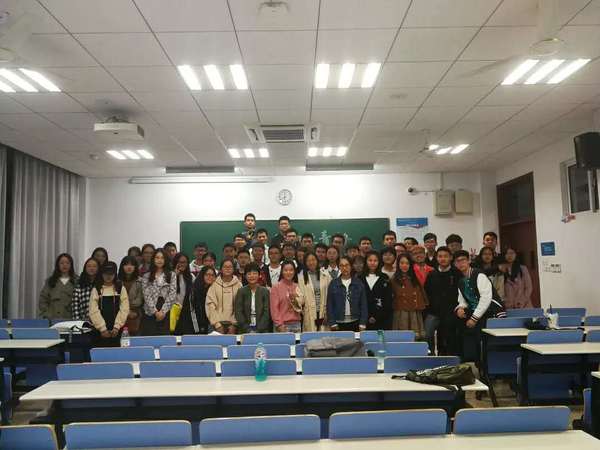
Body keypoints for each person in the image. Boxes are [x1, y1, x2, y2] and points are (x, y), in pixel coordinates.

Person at [454, 250, 506, 361]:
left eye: (463, 260)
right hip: (477, 313)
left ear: (469, 261)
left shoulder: (479, 275)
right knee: (458, 326)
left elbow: (485, 299)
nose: (461, 263)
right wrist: (460, 308)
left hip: (491, 311)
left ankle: (485, 365)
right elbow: (463, 300)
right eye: (458, 261)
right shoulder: (461, 281)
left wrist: (474, 318)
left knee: (483, 339)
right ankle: (471, 361)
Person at [424, 246, 461, 355]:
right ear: (436, 258)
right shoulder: (432, 274)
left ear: (451, 258)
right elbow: (426, 292)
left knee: (448, 336)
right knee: (427, 334)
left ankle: (447, 358)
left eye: (445, 256)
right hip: (433, 312)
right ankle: (430, 356)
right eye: (440, 256)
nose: (443, 259)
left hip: (451, 311)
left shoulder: (456, 274)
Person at [88, 261, 129, 347]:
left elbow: (124, 309)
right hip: (99, 331)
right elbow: (93, 310)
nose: (108, 276)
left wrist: (117, 327)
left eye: (111, 274)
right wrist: (102, 328)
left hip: (117, 330)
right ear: (101, 274)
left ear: (115, 274)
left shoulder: (120, 288)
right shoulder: (96, 289)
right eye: (106, 273)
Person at [390, 254, 428, 339]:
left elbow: (420, 295)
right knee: (401, 337)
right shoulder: (394, 279)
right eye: (402, 263)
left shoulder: (414, 278)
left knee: (414, 337)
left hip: (414, 311)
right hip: (400, 311)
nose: (404, 265)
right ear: (398, 264)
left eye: (407, 263)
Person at [326, 256, 368, 332]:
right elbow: (329, 305)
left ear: (351, 266)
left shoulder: (359, 283)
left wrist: (363, 323)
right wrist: (332, 323)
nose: (344, 268)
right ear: (339, 267)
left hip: (355, 321)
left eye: (347, 265)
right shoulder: (333, 284)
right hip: (338, 322)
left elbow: (363, 304)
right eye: (341, 265)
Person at [141, 249, 177, 335]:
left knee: (164, 337)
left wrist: (163, 311)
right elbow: (146, 295)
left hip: (166, 308)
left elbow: (172, 294)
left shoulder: (171, 275)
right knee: (150, 336)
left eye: (162, 258)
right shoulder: (146, 276)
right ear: (153, 259)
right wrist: (155, 312)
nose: (159, 260)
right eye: (157, 257)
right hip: (150, 310)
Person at [175, 266, 216, 335]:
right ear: (202, 275)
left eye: (212, 275)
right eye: (207, 274)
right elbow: (192, 312)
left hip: (204, 327)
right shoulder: (194, 290)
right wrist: (199, 330)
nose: (210, 277)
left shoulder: (212, 291)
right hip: (190, 329)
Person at [206, 258, 242, 334]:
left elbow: (241, 306)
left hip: (234, 325)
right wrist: (217, 325)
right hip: (216, 325)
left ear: (233, 269)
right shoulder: (214, 284)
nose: (227, 268)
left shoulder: (239, 285)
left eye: (230, 267)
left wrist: (234, 325)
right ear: (221, 269)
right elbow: (210, 305)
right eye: (225, 267)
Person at [298, 252, 332, 331]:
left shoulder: (326, 276)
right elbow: (301, 298)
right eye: (308, 261)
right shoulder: (301, 278)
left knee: (324, 337)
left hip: (323, 312)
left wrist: (328, 313)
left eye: (313, 260)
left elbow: (330, 297)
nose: (311, 263)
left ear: (317, 261)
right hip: (309, 313)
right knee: (311, 336)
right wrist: (295, 299)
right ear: (305, 263)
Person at [234, 263, 271, 333]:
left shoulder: (265, 291)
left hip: (262, 330)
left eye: (254, 273)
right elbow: (238, 312)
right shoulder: (241, 291)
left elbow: (266, 313)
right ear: (245, 276)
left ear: (259, 275)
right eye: (249, 274)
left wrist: (258, 330)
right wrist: (248, 330)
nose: (252, 276)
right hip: (244, 330)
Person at [360, 250, 392, 330]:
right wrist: (367, 317)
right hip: (363, 319)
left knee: (380, 337)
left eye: (375, 260)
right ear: (366, 262)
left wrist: (377, 317)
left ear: (379, 262)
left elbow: (388, 300)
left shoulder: (384, 278)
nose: (372, 263)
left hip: (382, 319)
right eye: (370, 260)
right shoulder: (360, 278)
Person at [39, 253, 78, 319]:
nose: (64, 265)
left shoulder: (77, 281)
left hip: (71, 318)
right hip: (52, 318)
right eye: (62, 263)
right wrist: (47, 314)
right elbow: (43, 299)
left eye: (67, 263)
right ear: (57, 265)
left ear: (71, 265)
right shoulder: (50, 281)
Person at [270, 260, 303, 333]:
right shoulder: (276, 287)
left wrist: (295, 300)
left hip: (296, 324)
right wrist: (279, 325)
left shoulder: (297, 286)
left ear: (294, 272)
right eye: (286, 270)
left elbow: (301, 306)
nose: (288, 272)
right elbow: (274, 309)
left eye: (291, 270)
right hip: (282, 325)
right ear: (282, 272)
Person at [118, 256, 144, 335]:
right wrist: (126, 311)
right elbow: (116, 300)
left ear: (135, 267)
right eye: (126, 264)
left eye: (132, 265)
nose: (129, 267)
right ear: (122, 266)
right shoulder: (117, 281)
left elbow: (139, 300)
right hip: (119, 315)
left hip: (136, 314)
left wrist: (129, 310)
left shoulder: (140, 281)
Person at [173, 252, 194, 320]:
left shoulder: (192, 277)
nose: (182, 264)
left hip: (187, 312)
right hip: (173, 310)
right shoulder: (170, 276)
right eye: (179, 262)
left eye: (184, 262)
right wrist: (174, 276)